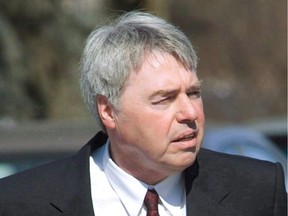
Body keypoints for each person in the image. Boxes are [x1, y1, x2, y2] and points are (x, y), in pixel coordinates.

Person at [0, 11, 286, 216]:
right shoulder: (20, 201)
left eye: (194, 93)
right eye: (165, 99)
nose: (190, 112)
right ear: (109, 111)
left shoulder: (256, 190)